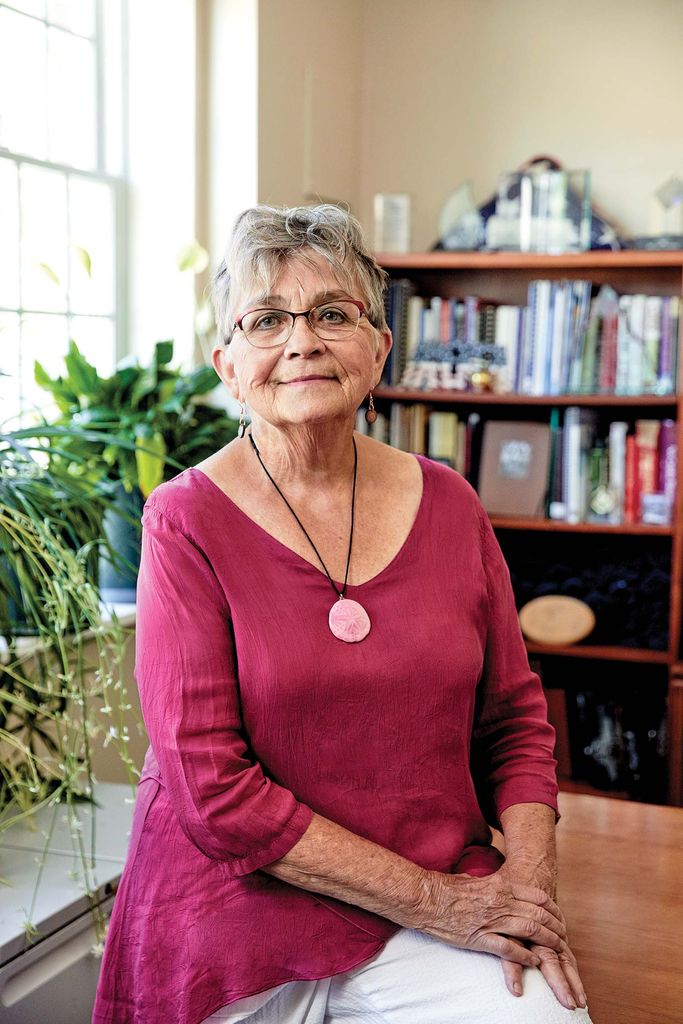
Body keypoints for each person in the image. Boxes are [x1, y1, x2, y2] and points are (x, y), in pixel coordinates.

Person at [92, 204, 592, 1024]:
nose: (302, 341)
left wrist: (525, 889)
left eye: (332, 313)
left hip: (432, 888)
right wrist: (439, 903)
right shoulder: (183, 519)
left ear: (379, 347)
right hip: (233, 903)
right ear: (227, 363)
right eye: (266, 319)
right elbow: (213, 790)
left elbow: (513, 718)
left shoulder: (452, 503)